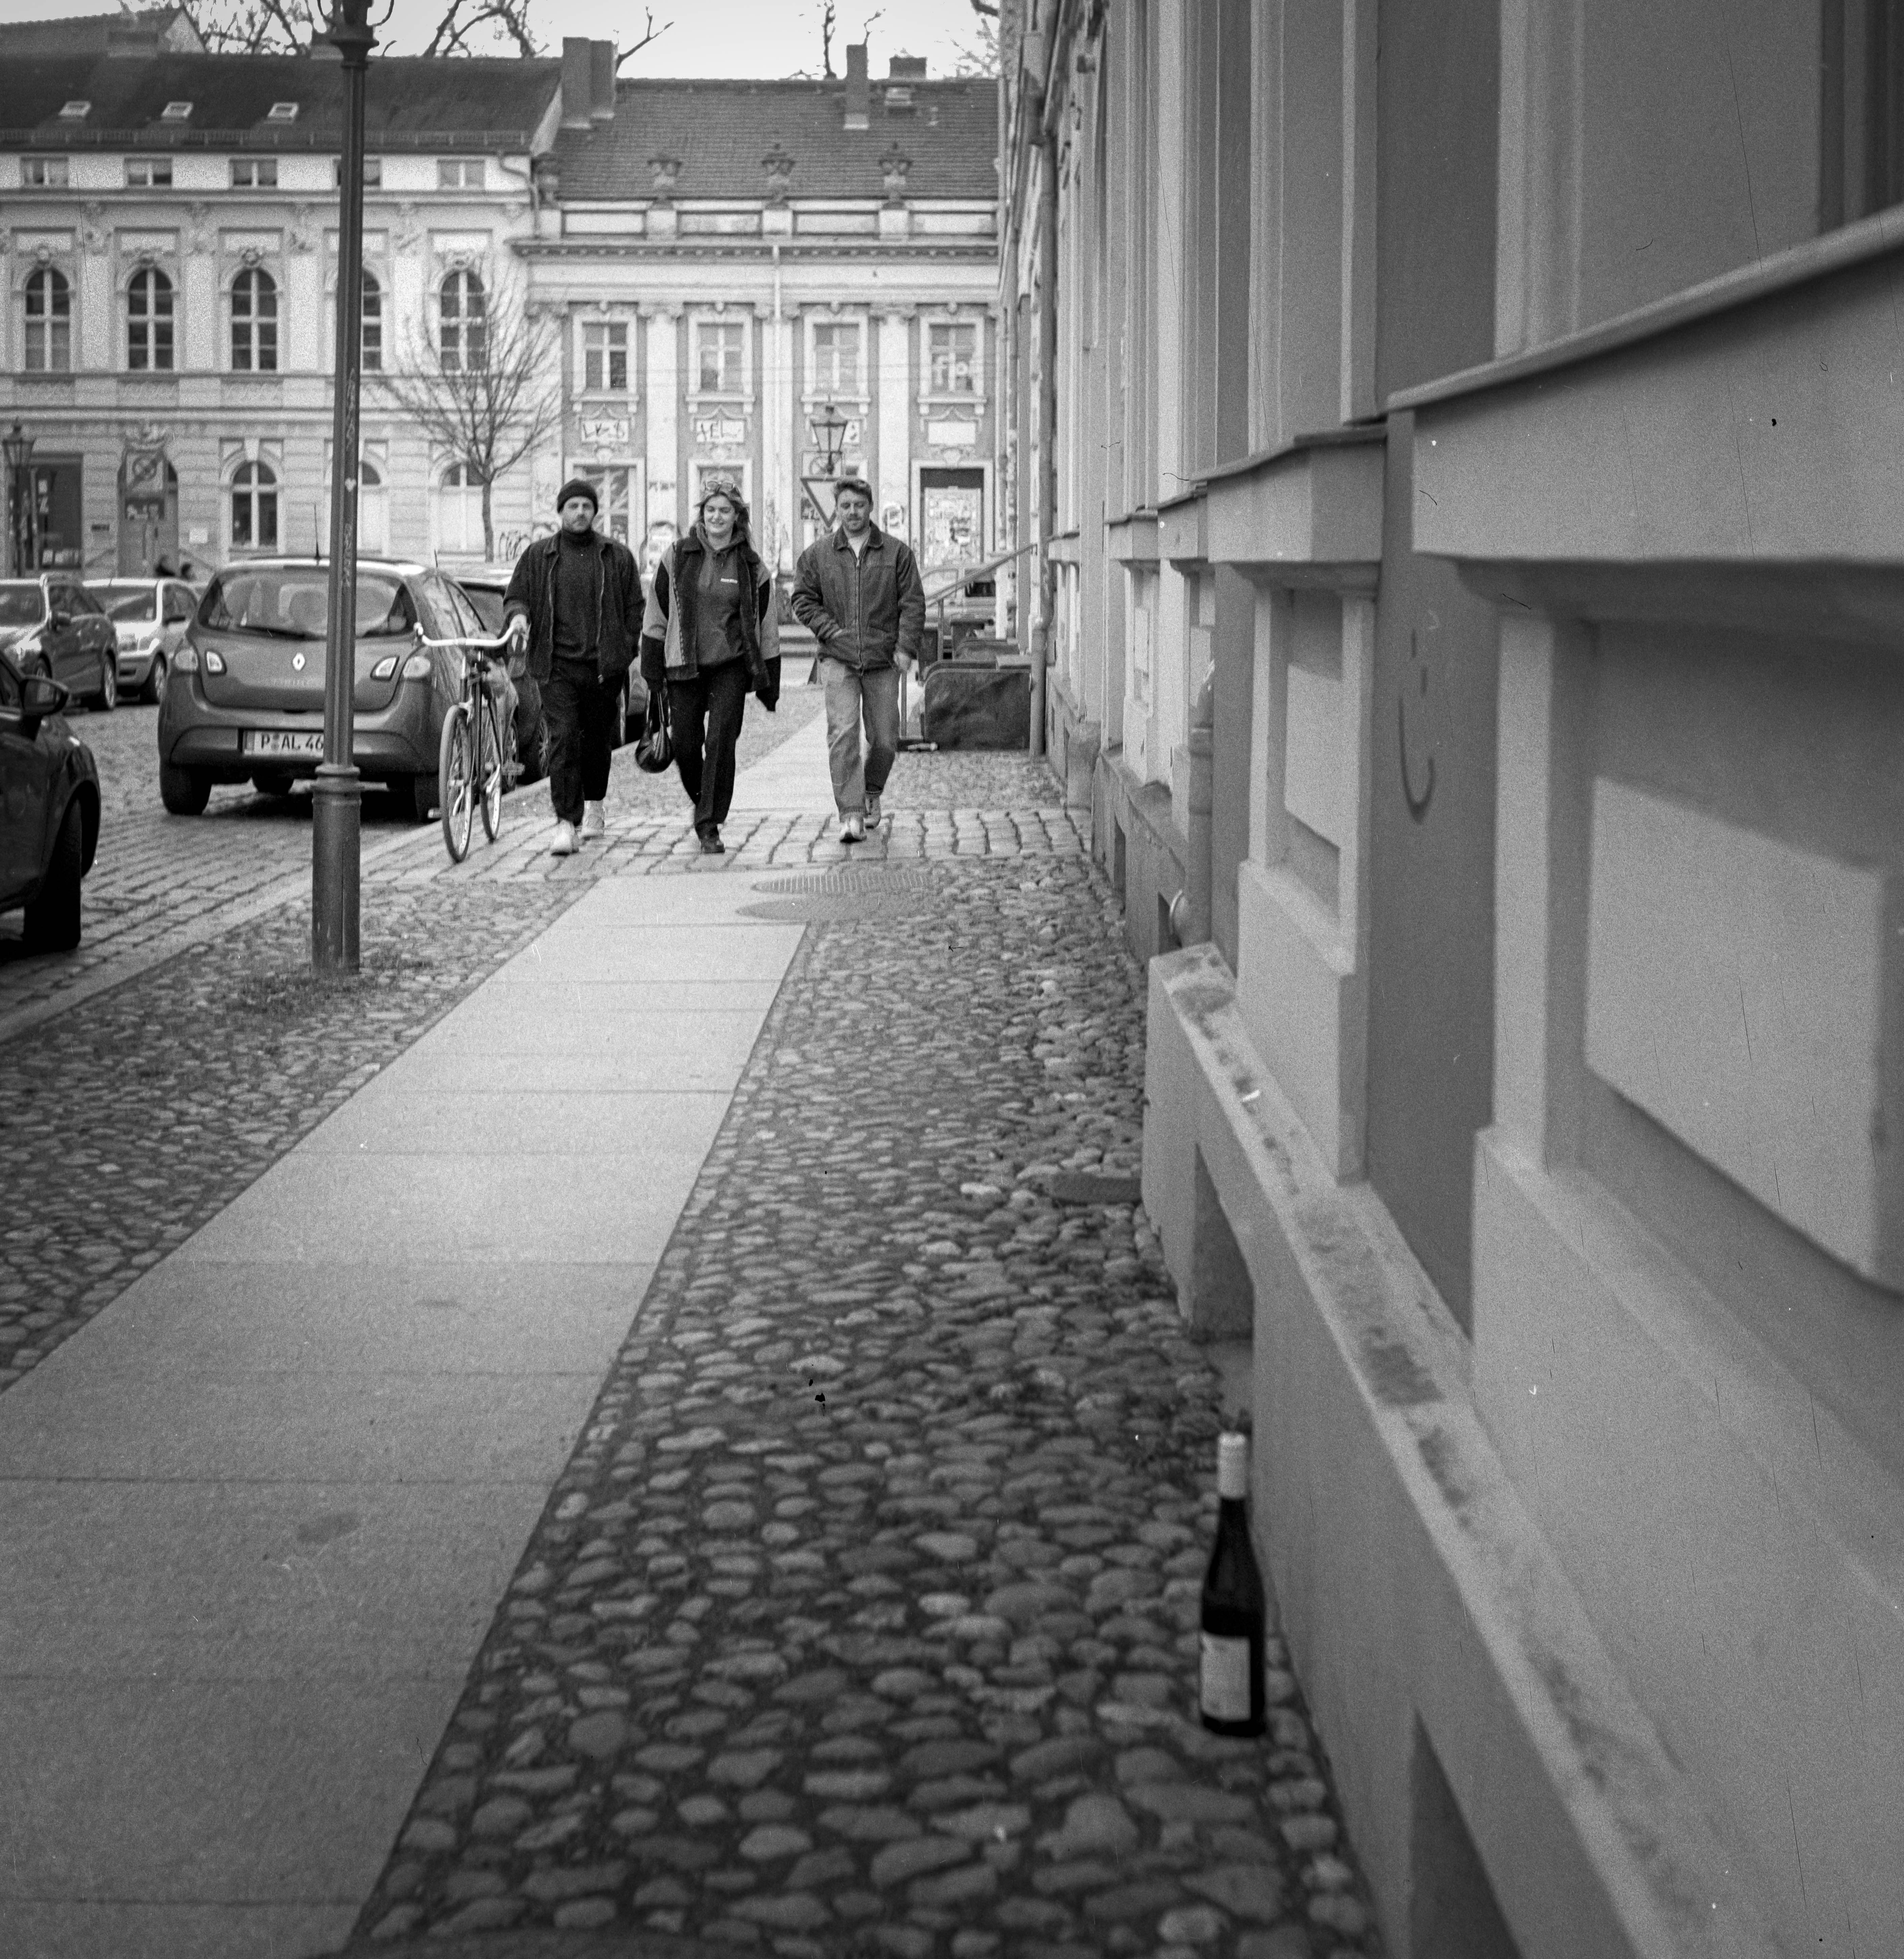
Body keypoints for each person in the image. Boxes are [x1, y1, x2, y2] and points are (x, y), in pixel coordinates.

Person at [638, 481, 780, 855]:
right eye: (711, 510)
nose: (717, 517)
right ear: (702, 515)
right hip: (683, 663)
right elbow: (657, 613)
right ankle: (706, 802)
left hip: (730, 666)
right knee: (686, 745)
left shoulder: (751, 566)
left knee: (721, 741)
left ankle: (709, 823)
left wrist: (770, 680)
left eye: (725, 511)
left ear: (737, 517)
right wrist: (652, 669)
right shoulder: (677, 556)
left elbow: (766, 625)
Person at [502, 480, 643, 856]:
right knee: (563, 738)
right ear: (561, 512)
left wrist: (625, 649)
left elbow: (635, 608)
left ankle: (595, 804)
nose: (580, 512)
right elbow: (516, 596)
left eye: (586, 506)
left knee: (597, 741)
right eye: (573, 506)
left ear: (595, 511)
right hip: (555, 666)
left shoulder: (616, 556)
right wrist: (519, 617)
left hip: (603, 667)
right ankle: (566, 823)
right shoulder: (539, 556)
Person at [791, 477, 925, 842]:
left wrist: (905, 648)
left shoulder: (896, 553)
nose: (853, 512)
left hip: (883, 658)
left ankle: (871, 790)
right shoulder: (818, 555)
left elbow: (913, 603)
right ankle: (850, 813)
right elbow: (802, 598)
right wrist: (830, 631)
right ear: (837, 509)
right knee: (843, 733)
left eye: (859, 506)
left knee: (885, 739)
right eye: (846, 506)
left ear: (870, 507)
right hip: (838, 657)